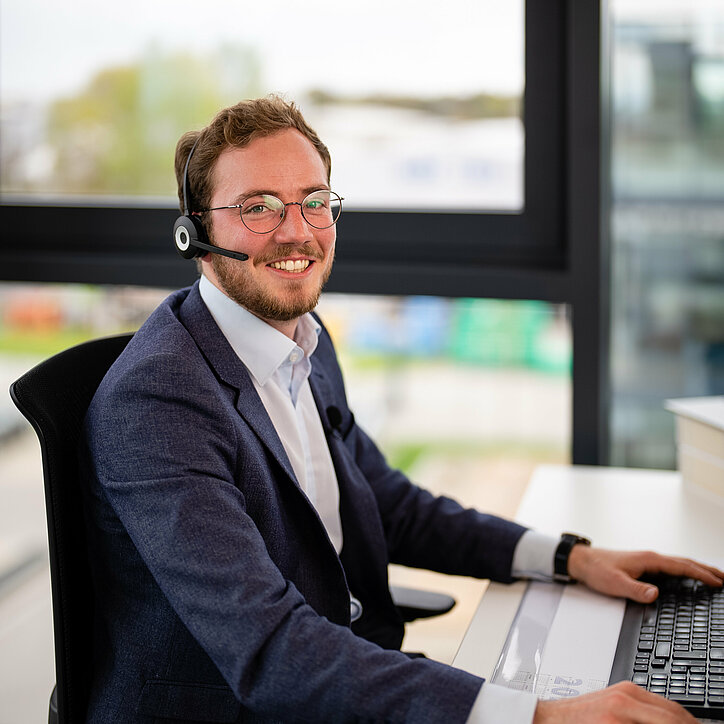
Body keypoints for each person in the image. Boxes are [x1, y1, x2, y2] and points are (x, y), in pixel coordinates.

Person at [81, 95, 723, 723]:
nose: (297, 231)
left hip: (342, 673)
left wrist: (571, 559)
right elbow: (270, 651)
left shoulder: (302, 339)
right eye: (258, 209)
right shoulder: (160, 402)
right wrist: (543, 717)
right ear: (194, 232)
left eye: (313, 203)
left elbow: (388, 501)